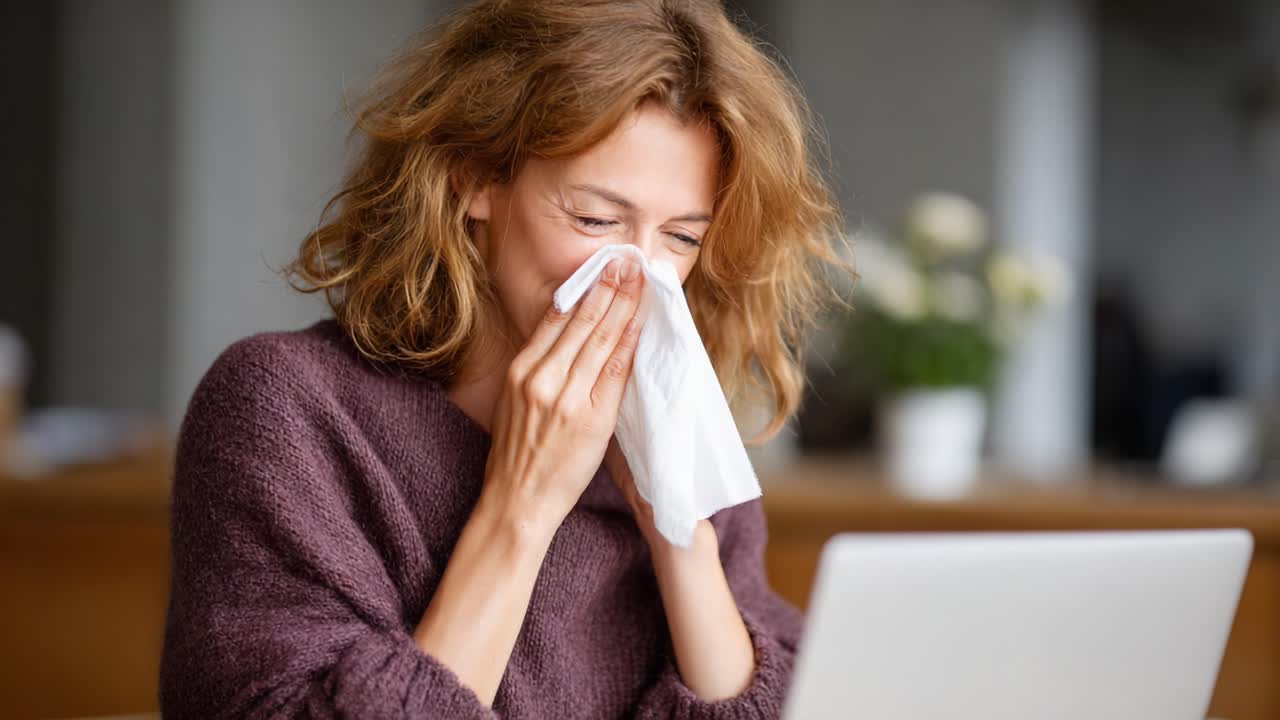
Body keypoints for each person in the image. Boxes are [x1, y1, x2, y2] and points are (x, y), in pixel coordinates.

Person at [158, 0, 852, 717]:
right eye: (595, 220)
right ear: (475, 177)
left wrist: (680, 540)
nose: (640, 273)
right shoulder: (287, 411)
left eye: (680, 237)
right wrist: (521, 505)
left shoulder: (685, 435)